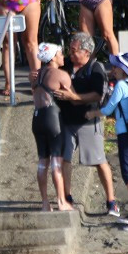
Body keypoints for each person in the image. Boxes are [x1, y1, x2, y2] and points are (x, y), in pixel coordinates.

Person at [52, 33, 118, 216]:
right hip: (66, 121)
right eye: (69, 50)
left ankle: (111, 201)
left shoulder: (95, 68)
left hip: (89, 121)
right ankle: (67, 196)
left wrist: (74, 97)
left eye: (74, 51)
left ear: (86, 52)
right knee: (65, 159)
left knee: (99, 161)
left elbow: (98, 95)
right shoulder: (64, 66)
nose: (70, 54)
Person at [87, 53, 128, 231]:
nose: (112, 69)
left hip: (126, 134)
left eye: (115, 67)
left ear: (123, 70)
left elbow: (107, 109)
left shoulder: (121, 85)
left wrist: (92, 114)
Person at [32, 43, 73, 212]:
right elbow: (72, 96)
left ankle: (44, 203)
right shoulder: (61, 75)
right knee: (57, 162)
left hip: (37, 119)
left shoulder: (35, 75)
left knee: (43, 163)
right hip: (53, 119)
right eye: (60, 53)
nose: (63, 56)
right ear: (53, 57)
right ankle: (61, 201)